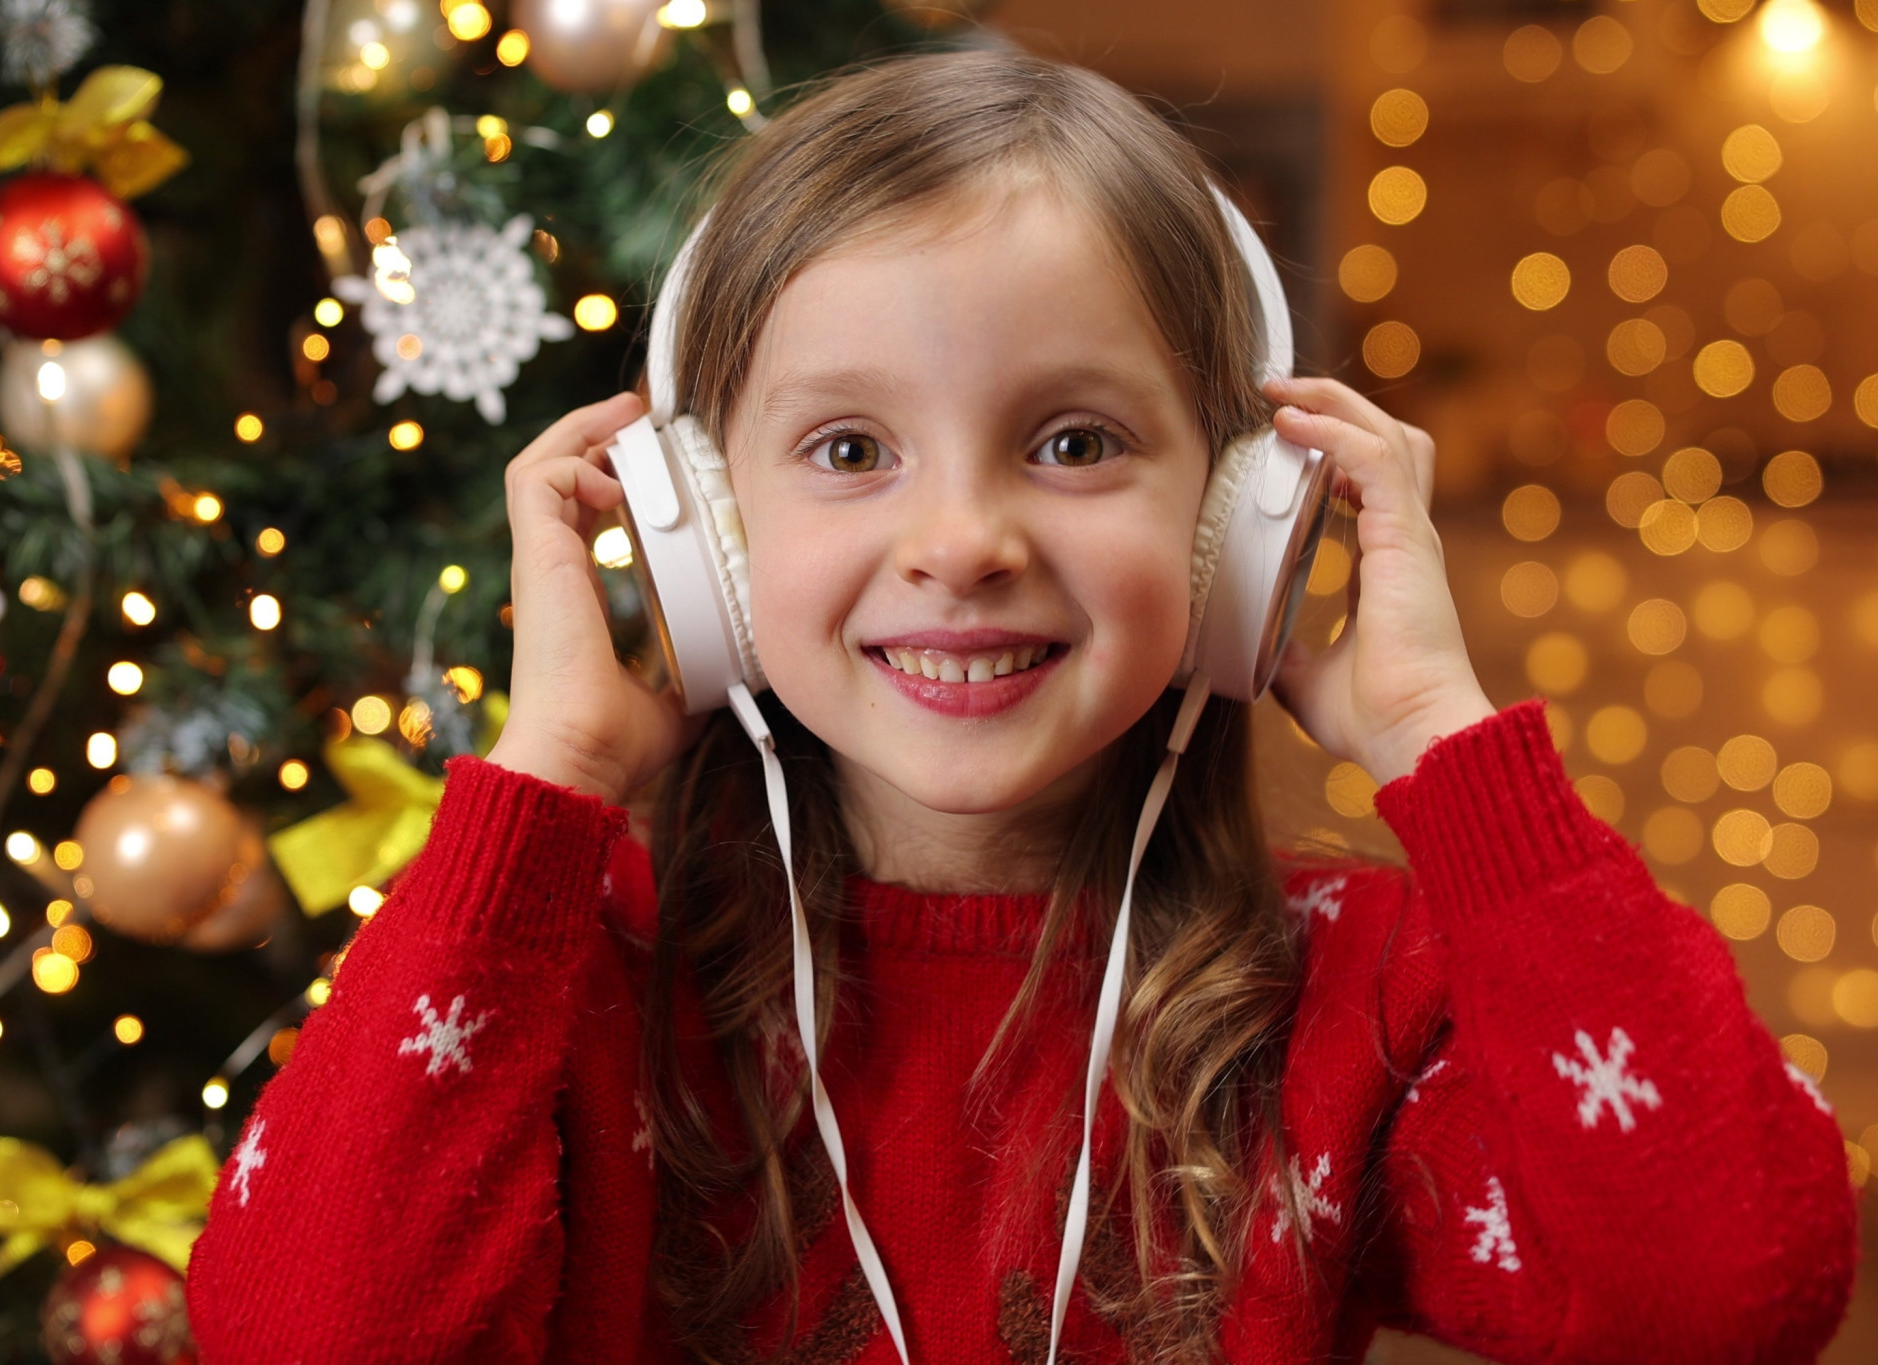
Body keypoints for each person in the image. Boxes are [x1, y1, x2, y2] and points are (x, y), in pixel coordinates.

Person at [186, 50, 1857, 1364]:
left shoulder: (1352, 990)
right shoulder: (586, 975)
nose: (966, 542)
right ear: (698, 527)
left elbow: (1728, 1293)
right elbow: (306, 1334)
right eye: (850, 450)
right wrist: (546, 776)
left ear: (1240, 527)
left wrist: (1438, 737)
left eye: (1074, 442)